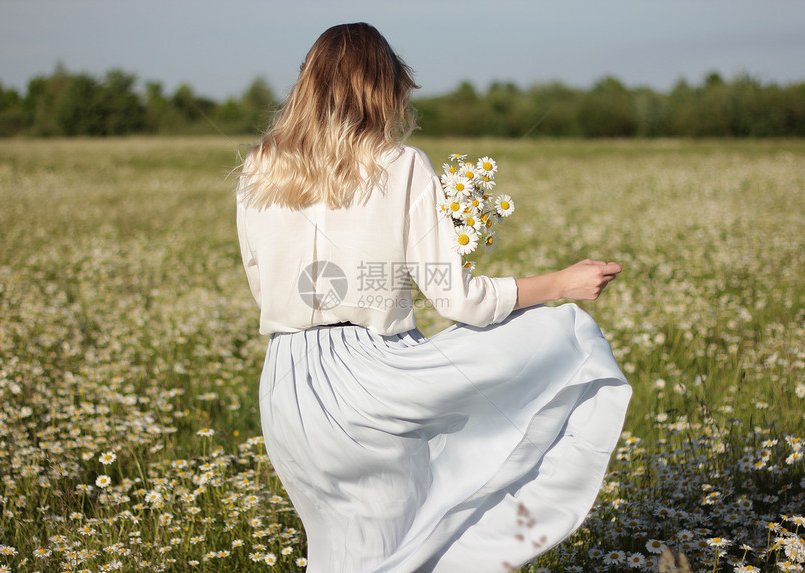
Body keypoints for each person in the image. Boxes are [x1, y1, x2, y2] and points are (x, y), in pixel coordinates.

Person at [236, 22, 631, 573]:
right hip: (367, 382)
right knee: (398, 553)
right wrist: (560, 285)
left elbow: (263, 286)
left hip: (286, 389)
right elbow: (458, 299)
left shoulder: (259, 167)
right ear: (382, 89)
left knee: (335, 555)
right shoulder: (401, 166)